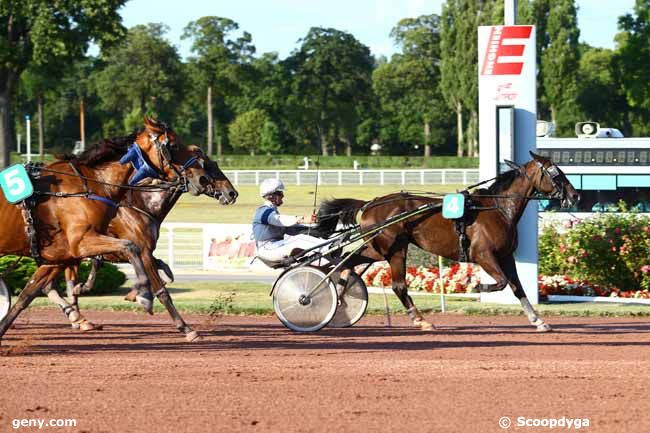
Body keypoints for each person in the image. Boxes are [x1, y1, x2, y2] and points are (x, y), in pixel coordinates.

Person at [252, 178, 327, 264]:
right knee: (299, 239)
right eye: (280, 193)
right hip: (267, 249)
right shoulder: (263, 212)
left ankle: (328, 246)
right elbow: (280, 220)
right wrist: (302, 219)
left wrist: (316, 229)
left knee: (301, 237)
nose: (283, 196)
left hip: (275, 246)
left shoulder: (272, 212)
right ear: (271, 196)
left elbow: (293, 229)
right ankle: (329, 247)